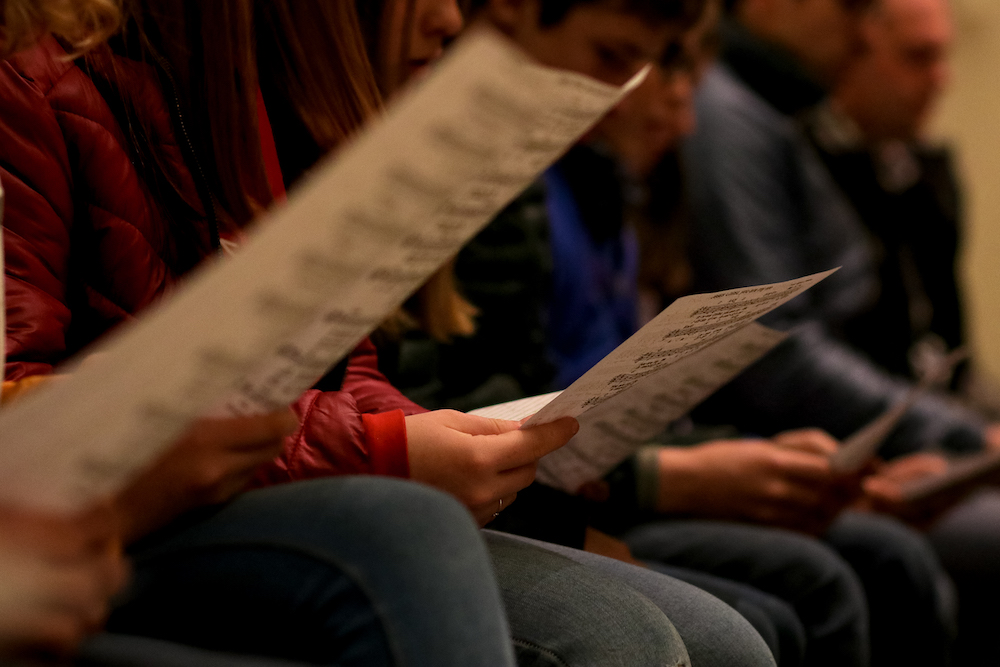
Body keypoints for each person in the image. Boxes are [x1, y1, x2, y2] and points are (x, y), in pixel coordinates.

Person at [0, 0, 769, 665]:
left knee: (729, 640)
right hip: (125, 524)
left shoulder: (236, 102)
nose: (448, 18)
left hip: (255, 486)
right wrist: (390, 450)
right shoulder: (47, 81)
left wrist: (426, 435)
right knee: (434, 546)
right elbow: (23, 405)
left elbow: (337, 363)